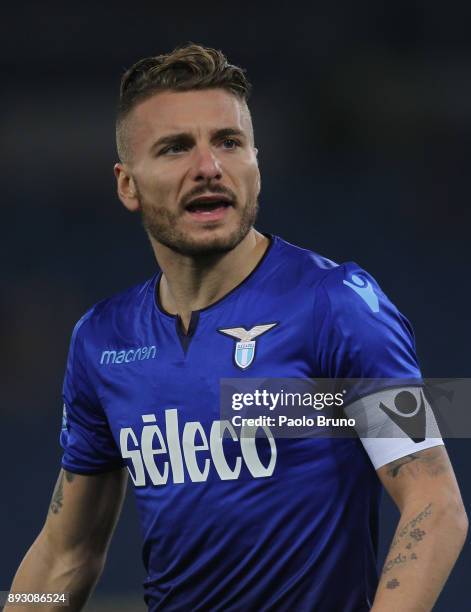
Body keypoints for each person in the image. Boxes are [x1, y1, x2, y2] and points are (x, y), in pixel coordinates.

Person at [7, 43, 467, 612]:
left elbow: (433, 501)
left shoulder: (336, 304)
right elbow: (64, 557)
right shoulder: (102, 340)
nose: (209, 167)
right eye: (176, 147)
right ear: (127, 185)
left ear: (256, 163)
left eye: (229, 142)